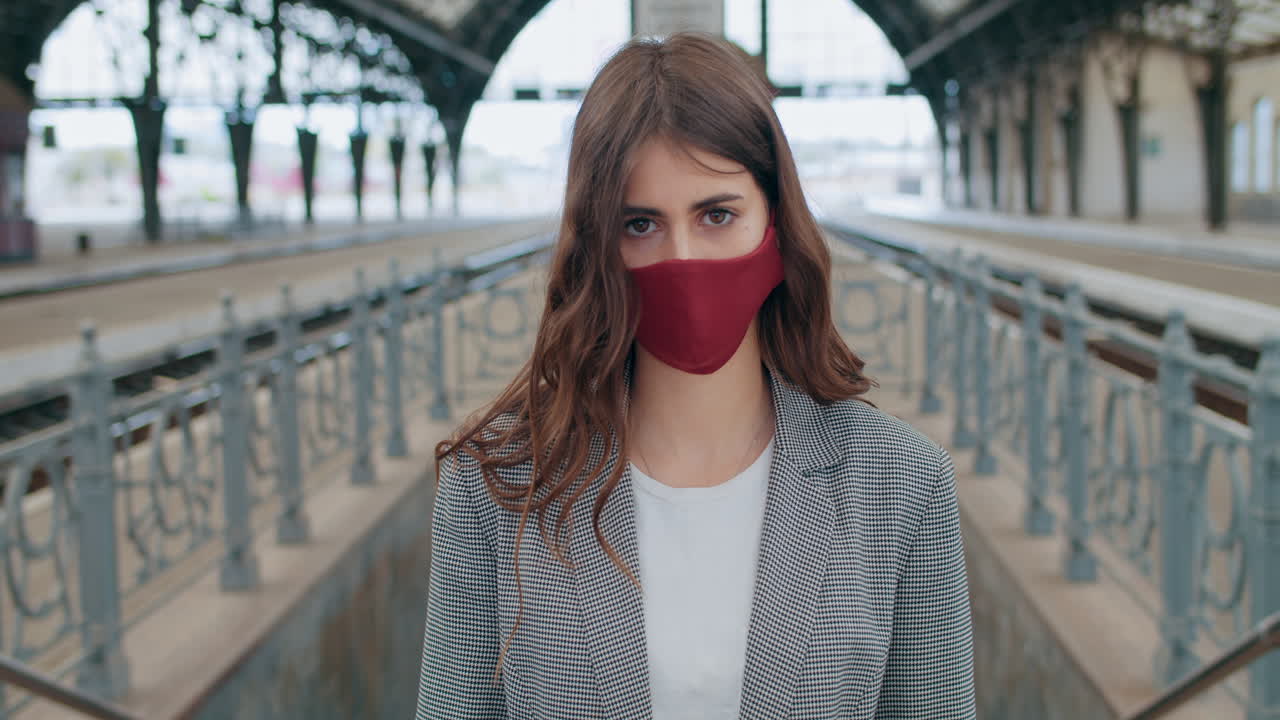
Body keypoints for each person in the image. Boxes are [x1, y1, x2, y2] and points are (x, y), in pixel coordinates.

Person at [416, 32, 975, 720]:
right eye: (641, 225)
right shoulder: (492, 486)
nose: (683, 258)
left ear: (775, 220)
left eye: (717, 215)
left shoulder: (903, 484)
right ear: (596, 247)